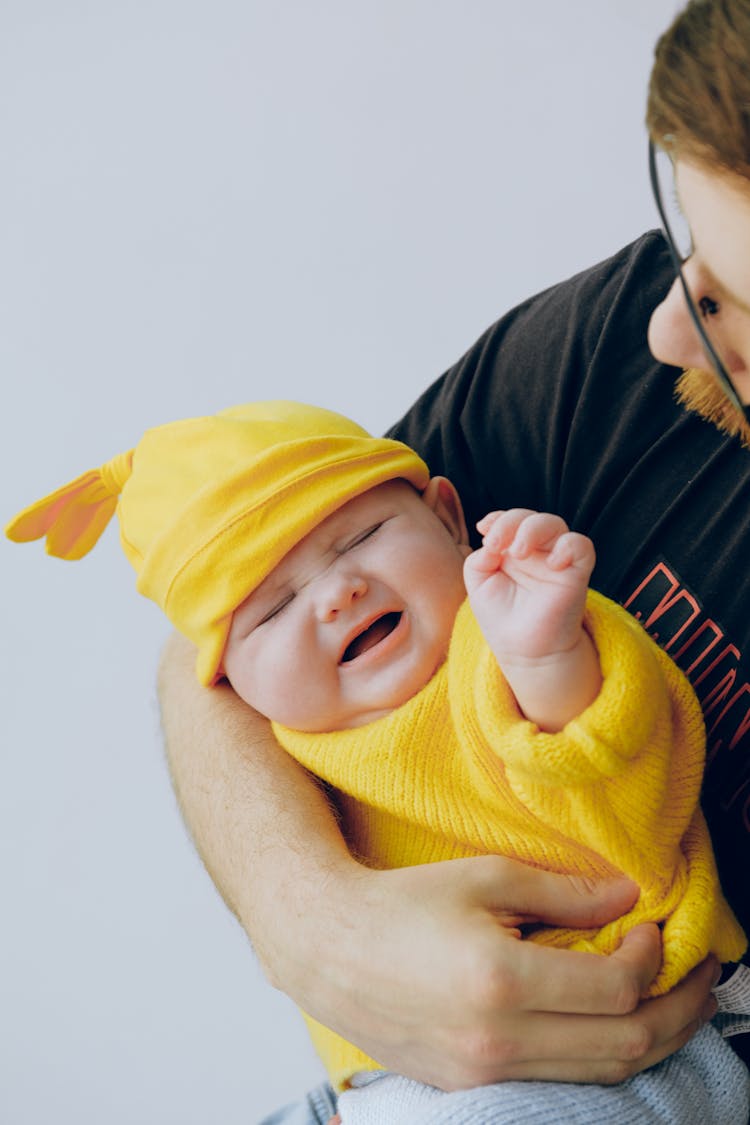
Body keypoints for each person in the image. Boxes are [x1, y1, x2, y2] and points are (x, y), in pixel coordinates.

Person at [151, 1, 750, 1120]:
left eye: (742, 301)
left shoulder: (501, 641)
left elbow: (602, 747)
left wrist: (549, 666)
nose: (672, 326)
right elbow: (208, 652)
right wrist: (308, 918)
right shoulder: (623, 337)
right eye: (687, 237)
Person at [6, 400, 749, 1123]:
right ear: (227, 682)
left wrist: (549, 656)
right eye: (271, 607)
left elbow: (619, 778)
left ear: (449, 518)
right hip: (382, 1089)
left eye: (359, 536)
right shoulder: (292, 746)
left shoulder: (496, 649)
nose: (337, 592)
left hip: (642, 1050)